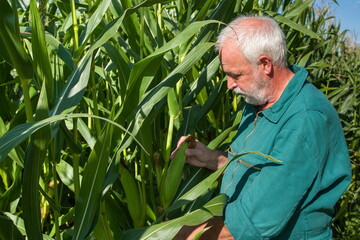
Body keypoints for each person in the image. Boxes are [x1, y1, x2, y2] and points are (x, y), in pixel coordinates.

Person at [173, 15, 351, 239]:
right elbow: (259, 169)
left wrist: (174, 234)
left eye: (236, 75)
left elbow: (252, 222)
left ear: (265, 64)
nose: (229, 85)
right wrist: (212, 159)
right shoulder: (260, 98)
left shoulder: (304, 120)